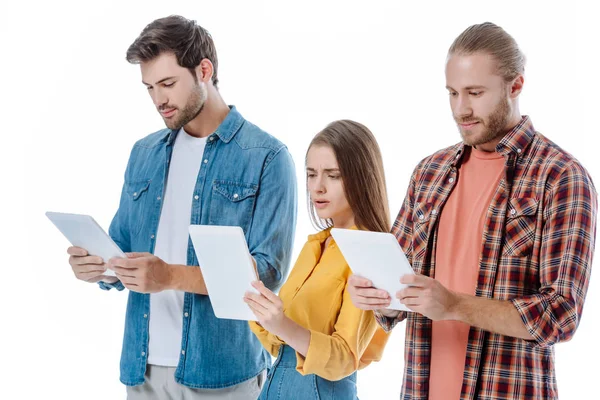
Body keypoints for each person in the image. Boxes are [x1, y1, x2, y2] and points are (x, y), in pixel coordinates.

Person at [348, 22, 597, 399]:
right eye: (452, 93)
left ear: (515, 86)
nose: (460, 109)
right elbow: (398, 282)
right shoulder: (429, 172)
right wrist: (374, 294)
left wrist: (453, 305)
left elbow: (560, 315)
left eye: (475, 93)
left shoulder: (561, 176)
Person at [66, 15, 297, 399]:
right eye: (150, 87)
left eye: (168, 84)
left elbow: (267, 275)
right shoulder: (143, 153)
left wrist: (170, 276)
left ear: (204, 70)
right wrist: (98, 267)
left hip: (223, 374)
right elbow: (122, 247)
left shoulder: (267, 157)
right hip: (142, 369)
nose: (159, 100)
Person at [244, 120, 390, 399]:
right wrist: (259, 307)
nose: (317, 187)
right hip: (276, 385)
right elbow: (280, 345)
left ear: (361, 177)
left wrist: (282, 325)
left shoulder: (371, 254)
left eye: (333, 175)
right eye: (311, 174)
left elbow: (344, 359)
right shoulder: (316, 245)